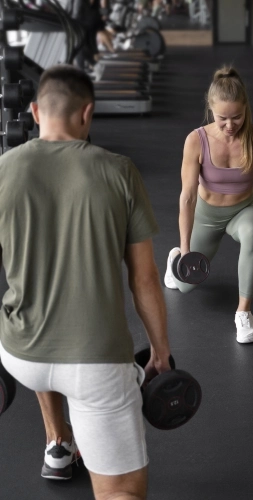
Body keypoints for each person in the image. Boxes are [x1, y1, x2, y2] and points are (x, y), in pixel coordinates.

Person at [0, 65, 171, 499]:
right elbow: (145, 278)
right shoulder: (119, 170)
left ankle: (58, 442)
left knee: (42, 341)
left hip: (22, 353)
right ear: (88, 113)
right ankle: (67, 441)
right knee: (122, 492)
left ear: (36, 112)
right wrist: (160, 351)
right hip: (96, 362)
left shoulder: (3, 169)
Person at [164, 66, 253, 343]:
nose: (230, 125)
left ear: (246, 109)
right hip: (206, 214)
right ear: (211, 109)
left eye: (237, 117)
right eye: (222, 118)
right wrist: (185, 251)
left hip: (245, 209)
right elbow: (187, 197)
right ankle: (173, 259)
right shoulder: (196, 141)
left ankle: (243, 313)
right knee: (184, 286)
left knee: (252, 234)